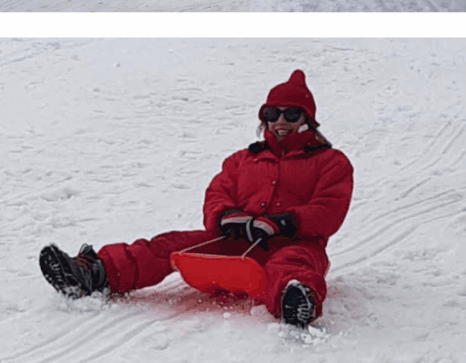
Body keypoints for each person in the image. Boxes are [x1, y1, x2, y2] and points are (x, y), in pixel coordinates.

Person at [39, 70, 354, 329]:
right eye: (272, 113)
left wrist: (283, 223)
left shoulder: (331, 162)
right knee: (168, 244)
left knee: (296, 264)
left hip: (293, 243)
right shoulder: (244, 159)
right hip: (236, 242)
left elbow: (329, 209)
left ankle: (295, 300)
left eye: (291, 113)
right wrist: (225, 216)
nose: (280, 120)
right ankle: (94, 273)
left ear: (306, 119)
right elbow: (217, 193)